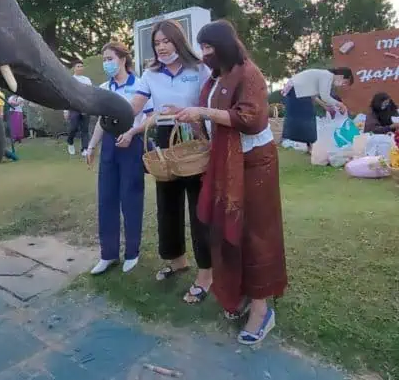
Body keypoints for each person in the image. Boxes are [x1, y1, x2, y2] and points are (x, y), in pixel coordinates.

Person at [173, 20, 286, 346]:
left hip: (254, 165)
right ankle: (238, 293)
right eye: (202, 48)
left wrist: (202, 114)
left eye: (209, 47)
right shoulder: (216, 75)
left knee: (254, 233)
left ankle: (262, 308)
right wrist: (190, 115)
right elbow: (211, 114)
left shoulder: (248, 73)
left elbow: (251, 119)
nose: (205, 54)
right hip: (225, 163)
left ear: (225, 44)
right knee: (226, 231)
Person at [123, 20, 213, 304]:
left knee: (200, 208)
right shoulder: (150, 74)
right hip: (164, 137)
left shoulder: (199, 68)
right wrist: (117, 115)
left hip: (194, 137)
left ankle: (207, 274)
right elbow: (135, 105)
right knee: (167, 203)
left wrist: (191, 114)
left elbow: (212, 104)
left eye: (166, 41)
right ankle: (177, 260)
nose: (161, 47)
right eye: (157, 43)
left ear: (178, 41)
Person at [84, 38, 152, 275]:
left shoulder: (140, 85)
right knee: (107, 199)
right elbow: (101, 123)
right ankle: (108, 254)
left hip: (132, 144)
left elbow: (150, 116)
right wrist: (91, 147)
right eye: (104, 60)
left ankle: (132, 252)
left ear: (123, 59)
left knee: (130, 198)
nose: (107, 64)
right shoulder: (104, 89)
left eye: (110, 59)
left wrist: (133, 132)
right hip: (110, 147)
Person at [281, 67, 352, 150]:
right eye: (345, 82)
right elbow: (325, 97)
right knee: (308, 119)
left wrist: (325, 107)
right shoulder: (328, 76)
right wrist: (342, 105)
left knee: (303, 117)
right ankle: (310, 147)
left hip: (294, 89)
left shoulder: (324, 75)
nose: (342, 84)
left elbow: (313, 96)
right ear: (341, 76)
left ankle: (308, 147)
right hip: (296, 90)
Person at [65, 61, 93, 156]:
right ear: (74, 68)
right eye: (78, 66)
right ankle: (70, 142)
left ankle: (84, 148)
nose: (80, 68)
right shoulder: (70, 79)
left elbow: (90, 93)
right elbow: (67, 95)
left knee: (84, 129)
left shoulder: (87, 80)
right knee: (74, 127)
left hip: (85, 107)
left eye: (82, 66)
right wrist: (66, 110)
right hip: (74, 107)